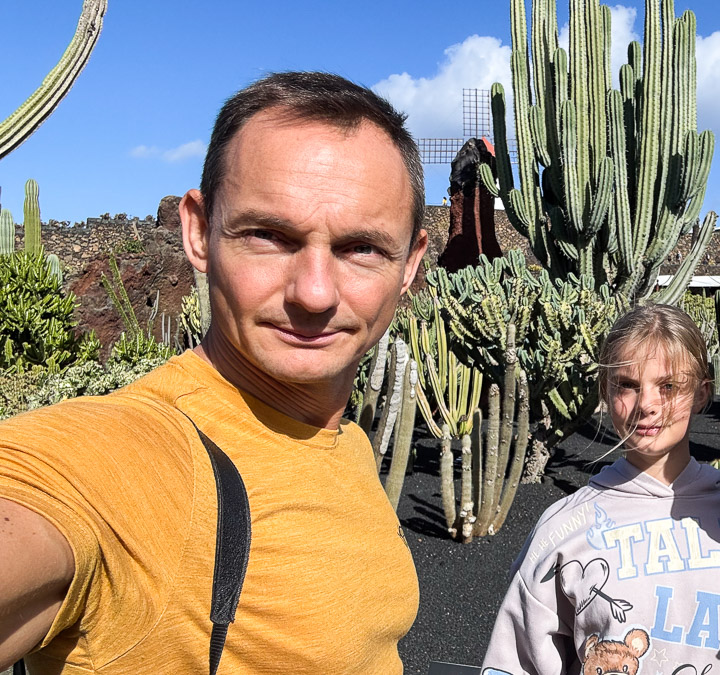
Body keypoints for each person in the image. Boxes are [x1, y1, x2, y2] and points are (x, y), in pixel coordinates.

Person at [0, 72, 428, 673]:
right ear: (198, 232)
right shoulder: (132, 457)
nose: (314, 293)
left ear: (410, 264)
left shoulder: (344, 439)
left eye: (361, 248)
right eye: (269, 236)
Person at [482, 304, 720, 675]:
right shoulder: (565, 529)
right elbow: (516, 662)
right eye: (628, 385)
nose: (646, 405)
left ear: (701, 392)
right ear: (605, 392)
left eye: (669, 386)